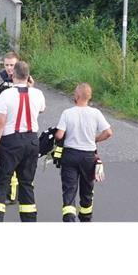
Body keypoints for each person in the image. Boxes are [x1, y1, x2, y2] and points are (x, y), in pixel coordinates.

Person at [0, 60, 45, 222]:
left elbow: (0, 124)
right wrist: (31, 87)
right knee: (26, 183)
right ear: (28, 76)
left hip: (11, 142)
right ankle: (29, 221)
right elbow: (41, 109)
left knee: (2, 182)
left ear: (13, 74)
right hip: (32, 141)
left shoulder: (6, 94)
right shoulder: (38, 94)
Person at [54, 83, 113, 222]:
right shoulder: (96, 113)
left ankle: (69, 219)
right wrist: (95, 139)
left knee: (69, 189)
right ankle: (86, 218)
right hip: (88, 156)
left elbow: (59, 135)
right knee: (87, 189)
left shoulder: (67, 113)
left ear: (77, 96)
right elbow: (108, 132)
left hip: (70, 155)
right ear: (89, 97)